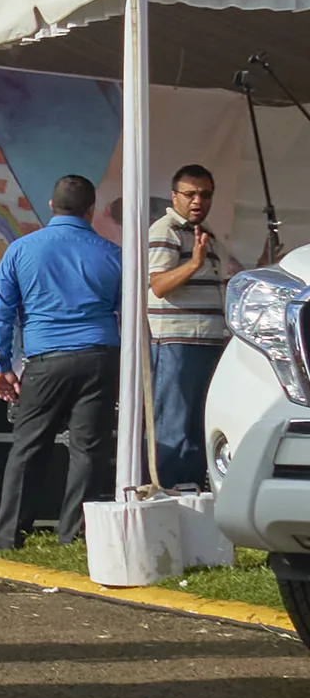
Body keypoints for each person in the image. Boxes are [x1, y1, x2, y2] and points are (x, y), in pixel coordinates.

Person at [0, 174, 121, 549]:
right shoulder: (113, 253)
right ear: (91, 209)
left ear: (51, 205)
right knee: (88, 449)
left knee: (29, 445)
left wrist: (2, 365)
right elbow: (126, 310)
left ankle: (9, 535)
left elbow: (1, 313)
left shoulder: (21, 250)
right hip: (99, 355)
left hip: (46, 358)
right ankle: (74, 536)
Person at [147, 165, 225, 488]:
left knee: (197, 427)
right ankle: (167, 493)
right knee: (174, 426)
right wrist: (193, 264)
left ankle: (190, 495)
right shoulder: (165, 230)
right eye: (190, 194)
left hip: (207, 342)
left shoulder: (206, 233)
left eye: (205, 195)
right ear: (174, 196)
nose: (198, 201)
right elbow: (158, 285)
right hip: (176, 342)